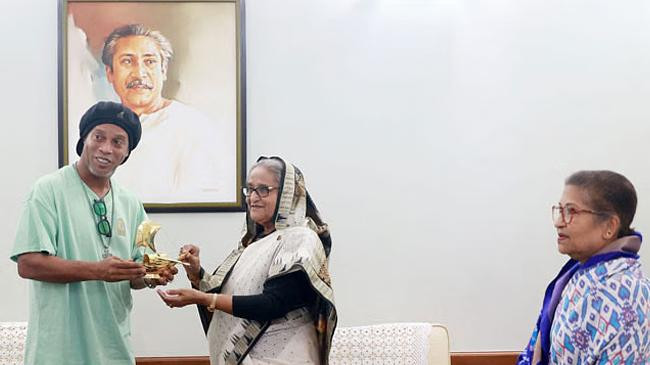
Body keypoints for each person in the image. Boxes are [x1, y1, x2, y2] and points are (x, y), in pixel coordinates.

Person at [10, 101, 177, 365]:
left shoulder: (132, 203)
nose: (106, 148)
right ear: (84, 140)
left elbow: (141, 270)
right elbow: (28, 265)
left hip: (114, 350)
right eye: (98, 137)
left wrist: (158, 272)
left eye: (118, 142)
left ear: (127, 152)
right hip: (57, 353)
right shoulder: (47, 190)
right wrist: (98, 270)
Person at [157, 156, 337, 364]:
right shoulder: (252, 244)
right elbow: (227, 295)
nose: (253, 197)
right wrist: (196, 272)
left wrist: (203, 298)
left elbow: (273, 304)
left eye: (263, 189)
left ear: (287, 194)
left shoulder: (300, 238)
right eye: (250, 189)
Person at [518, 170, 650, 365]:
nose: (558, 222)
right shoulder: (577, 273)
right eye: (560, 210)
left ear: (610, 226)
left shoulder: (630, 292)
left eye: (571, 211)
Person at [101, 23, 234, 204]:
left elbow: (200, 202)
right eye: (127, 61)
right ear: (110, 73)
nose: (139, 73)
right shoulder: (99, 131)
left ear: (163, 70)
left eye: (149, 62)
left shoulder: (193, 126)